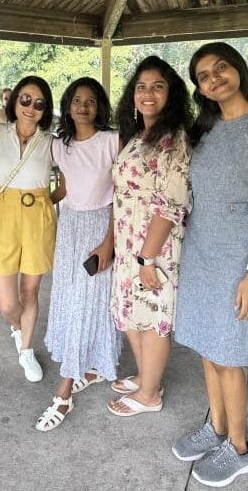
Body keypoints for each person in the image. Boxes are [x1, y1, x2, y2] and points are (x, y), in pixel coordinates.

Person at [172, 43, 248, 487]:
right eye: (203, 75)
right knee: (207, 348)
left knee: (229, 357)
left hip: (240, 258)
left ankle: (239, 448)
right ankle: (216, 427)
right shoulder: (205, 130)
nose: (214, 77)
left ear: (237, 68)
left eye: (220, 67)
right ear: (199, 88)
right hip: (201, 251)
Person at [107, 56, 192, 417]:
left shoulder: (174, 140)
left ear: (171, 94)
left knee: (154, 317)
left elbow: (171, 205)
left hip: (154, 247)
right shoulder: (138, 136)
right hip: (129, 243)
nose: (148, 93)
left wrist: (147, 258)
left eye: (158, 86)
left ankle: (149, 395)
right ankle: (147, 378)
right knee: (131, 313)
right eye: (141, 86)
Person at [36, 77, 120, 431]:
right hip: (69, 228)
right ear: (67, 106)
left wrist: (108, 243)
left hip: (101, 226)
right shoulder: (60, 145)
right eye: (76, 100)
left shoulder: (113, 140)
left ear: (99, 105)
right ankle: (93, 366)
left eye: (90, 100)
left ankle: (64, 393)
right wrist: (37, 205)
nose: (83, 106)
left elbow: (122, 193)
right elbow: (66, 186)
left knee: (94, 301)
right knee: (72, 302)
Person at [0, 76, 55, 382]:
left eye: (39, 103)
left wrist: (47, 201)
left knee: (30, 290)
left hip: (38, 213)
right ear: (13, 101)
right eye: (25, 99)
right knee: (7, 303)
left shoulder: (51, 139)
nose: (31, 107)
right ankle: (15, 325)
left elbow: (69, 178)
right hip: (4, 213)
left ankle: (26, 350)